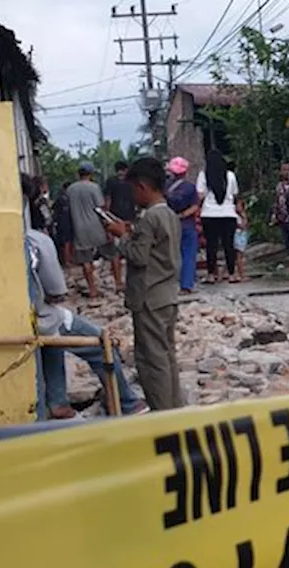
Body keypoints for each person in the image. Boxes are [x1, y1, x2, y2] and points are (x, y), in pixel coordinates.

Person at [26, 214, 148, 418]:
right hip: (39, 318)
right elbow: (56, 292)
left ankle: (57, 401)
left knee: (53, 339)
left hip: (19, 323)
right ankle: (126, 402)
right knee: (100, 344)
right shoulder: (35, 240)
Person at [105, 157, 184, 411]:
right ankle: (174, 409)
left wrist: (121, 236)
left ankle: (162, 415)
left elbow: (139, 256)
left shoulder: (150, 218)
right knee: (166, 355)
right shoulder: (169, 214)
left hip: (149, 295)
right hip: (167, 293)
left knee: (152, 360)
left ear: (142, 186)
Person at [67, 162, 123, 296]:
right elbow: (101, 208)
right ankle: (118, 283)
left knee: (86, 260)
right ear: (91, 174)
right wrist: (108, 227)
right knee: (113, 254)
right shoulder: (94, 187)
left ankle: (92, 289)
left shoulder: (70, 189)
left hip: (79, 228)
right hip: (96, 226)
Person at [197, 149, 240, 284]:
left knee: (211, 245)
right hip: (228, 213)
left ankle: (211, 275)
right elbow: (234, 194)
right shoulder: (230, 176)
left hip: (209, 213)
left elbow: (200, 195)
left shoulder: (204, 176)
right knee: (229, 244)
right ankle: (232, 274)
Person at [165, 157, 201, 293]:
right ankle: (186, 285)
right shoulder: (190, 187)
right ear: (185, 172)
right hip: (186, 224)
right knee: (188, 254)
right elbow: (195, 206)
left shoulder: (164, 187)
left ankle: (170, 284)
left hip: (168, 223)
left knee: (171, 254)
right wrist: (182, 215)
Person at [271, 162, 289, 273]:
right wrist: (274, 215)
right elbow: (277, 201)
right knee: (288, 242)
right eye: (283, 170)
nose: (285, 173)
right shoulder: (279, 186)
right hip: (282, 217)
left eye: (288, 170)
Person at [54, 180, 75, 265]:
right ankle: (67, 260)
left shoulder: (64, 199)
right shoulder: (64, 199)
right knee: (67, 242)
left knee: (69, 242)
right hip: (65, 223)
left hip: (66, 223)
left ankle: (70, 259)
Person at [233, 195, 249, 282]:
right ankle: (241, 274)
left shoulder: (242, 215)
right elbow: (242, 226)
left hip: (242, 237)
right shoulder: (235, 216)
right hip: (238, 236)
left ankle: (236, 273)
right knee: (238, 256)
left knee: (239, 256)